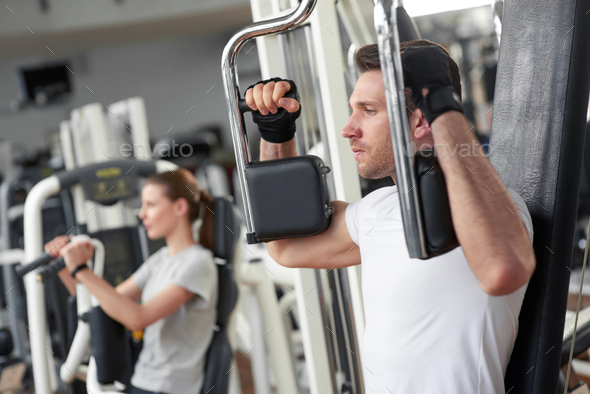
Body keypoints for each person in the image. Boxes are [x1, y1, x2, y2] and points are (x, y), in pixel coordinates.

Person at [244, 39, 536, 393]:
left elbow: (501, 270)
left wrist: (443, 107)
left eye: (368, 110)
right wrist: (276, 135)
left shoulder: (495, 204)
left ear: (420, 121)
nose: (348, 128)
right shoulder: (378, 208)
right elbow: (286, 246)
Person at [44, 169, 218, 394]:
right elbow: (104, 304)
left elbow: (138, 318)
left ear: (180, 207)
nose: (142, 214)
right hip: (143, 381)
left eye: (151, 205)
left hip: (168, 388)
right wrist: (67, 267)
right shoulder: (161, 259)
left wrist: (81, 269)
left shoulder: (198, 263)